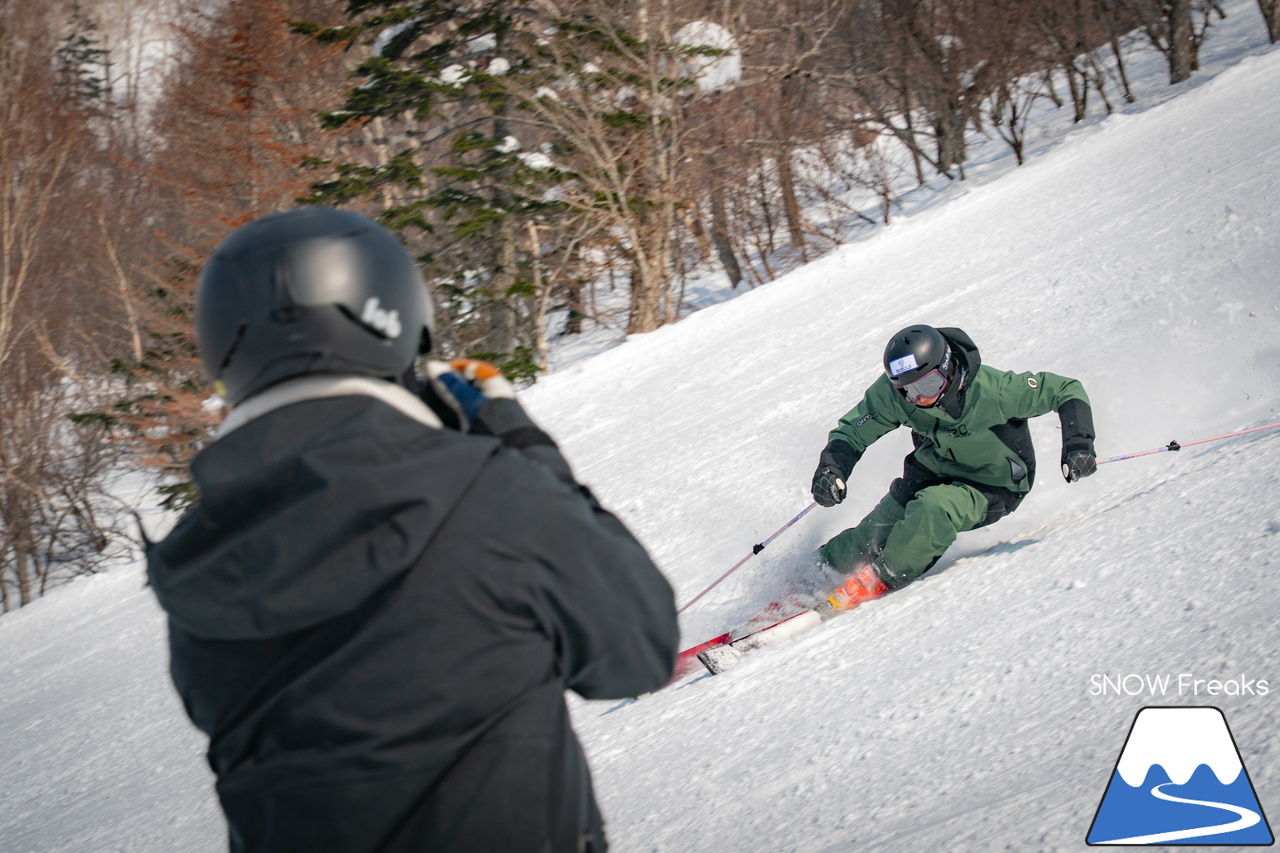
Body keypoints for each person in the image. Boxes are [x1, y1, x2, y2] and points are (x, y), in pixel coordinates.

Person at [146, 207, 679, 853]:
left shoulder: (199, 561)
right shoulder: (484, 492)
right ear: (396, 318)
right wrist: (520, 445)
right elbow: (638, 652)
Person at [810, 325, 1096, 612]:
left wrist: (1078, 445)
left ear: (947, 366)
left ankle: (882, 574)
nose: (919, 398)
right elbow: (852, 432)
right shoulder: (896, 393)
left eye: (928, 385)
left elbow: (1065, 389)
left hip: (991, 485)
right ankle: (816, 571)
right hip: (930, 471)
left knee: (933, 509)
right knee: (868, 536)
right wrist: (830, 470)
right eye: (907, 391)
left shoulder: (996, 391)